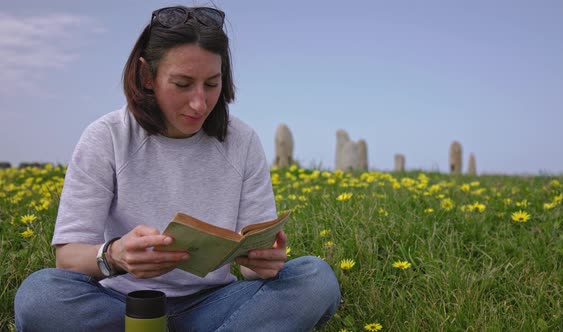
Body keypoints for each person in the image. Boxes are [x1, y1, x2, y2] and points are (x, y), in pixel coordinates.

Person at [14, 5, 340, 331]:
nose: (199, 103)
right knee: (39, 295)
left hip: (215, 303)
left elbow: (253, 270)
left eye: (211, 84)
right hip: (123, 307)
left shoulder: (242, 141)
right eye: (183, 84)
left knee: (315, 279)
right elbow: (67, 259)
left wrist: (264, 263)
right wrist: (115, 256)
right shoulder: (106, 136)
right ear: (147, 76)